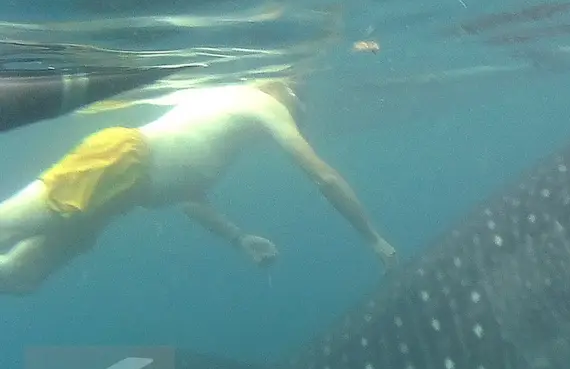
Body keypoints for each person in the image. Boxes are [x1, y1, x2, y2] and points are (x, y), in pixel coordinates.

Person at [0, 79, 398, 295]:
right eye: (299, 112)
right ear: (287, 91)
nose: (296, 121)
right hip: (120, 160)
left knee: (21, 274)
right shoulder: (263, 102)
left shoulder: (224, 123)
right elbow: (323, 177)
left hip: (121, 190)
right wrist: (373, 238)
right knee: (7, 226)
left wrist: (237, 238)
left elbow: (186, 197)